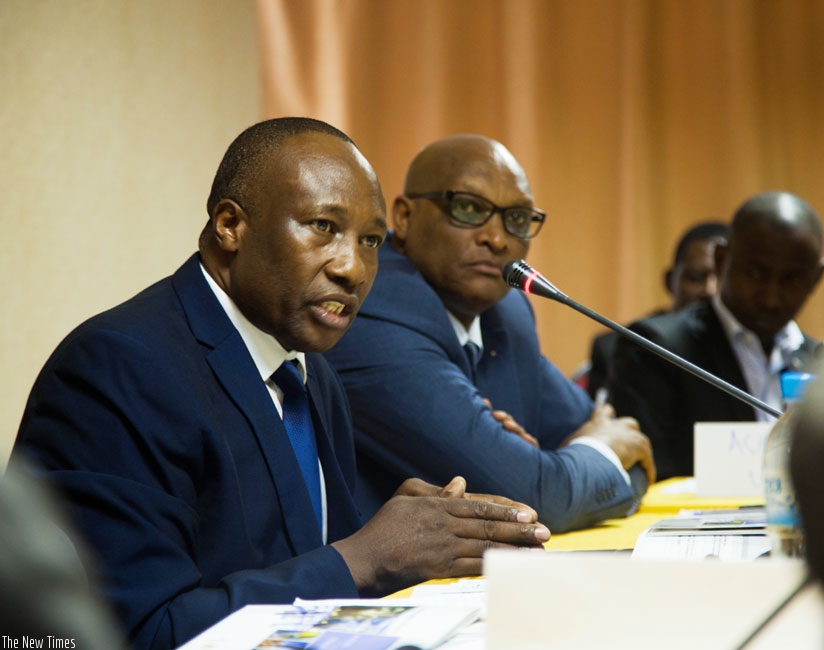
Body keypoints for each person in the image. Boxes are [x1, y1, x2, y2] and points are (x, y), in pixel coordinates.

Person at [10, 118, 550, 650]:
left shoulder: (310, 374)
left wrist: (409, 539)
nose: (353, 268)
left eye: (370, 240)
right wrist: (366, 556)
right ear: (230, 225)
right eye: (323, 227)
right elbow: (139, 633)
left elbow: (309, 571)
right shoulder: (119, 366)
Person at [323, 133, 655, 534]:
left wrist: (559, 468)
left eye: (516, 219)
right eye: (467, 208)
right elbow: (539, 497)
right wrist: (563, 467)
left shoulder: (506, 309)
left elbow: (628, 452)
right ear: (405, 217)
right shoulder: (374, 307)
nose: (496, 239)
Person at [609, 190, 824, 480]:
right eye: (757, 274)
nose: (772, 297)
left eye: (792, 280)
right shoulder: (655, 347)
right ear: (722, 260)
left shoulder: (818, 360)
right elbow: (645, 471)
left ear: (815, 279)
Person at [584, 221, 729, 400]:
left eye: (723, 280)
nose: (710, 290)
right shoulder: (617, 348)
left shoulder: (757, 352)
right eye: (696, 278)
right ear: (670, 281)